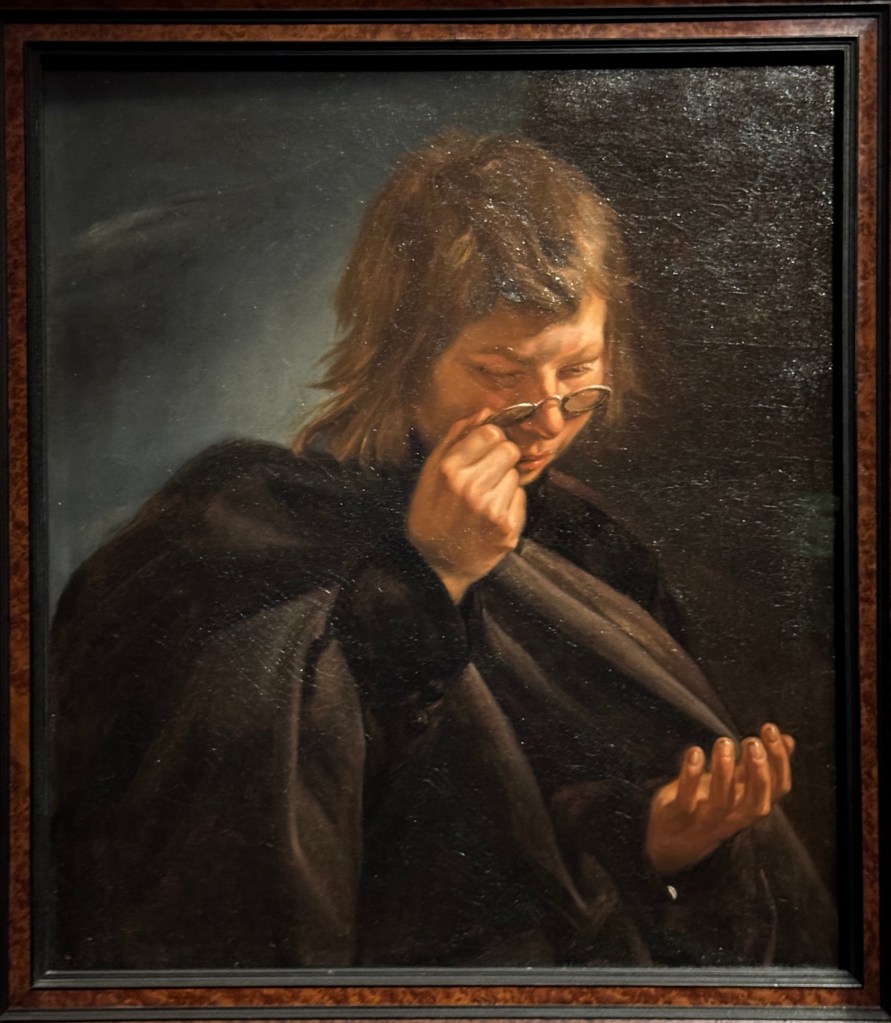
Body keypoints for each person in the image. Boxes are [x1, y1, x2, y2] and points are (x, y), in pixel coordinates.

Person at [49, 132, 835, 971]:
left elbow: (544, 847)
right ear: (402, 357)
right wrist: (431, 576)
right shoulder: (238, 526)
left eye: (578, 368)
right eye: (500, 370)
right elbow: (270, 840)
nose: (546, 416)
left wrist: (656, 840)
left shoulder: (599, 551)